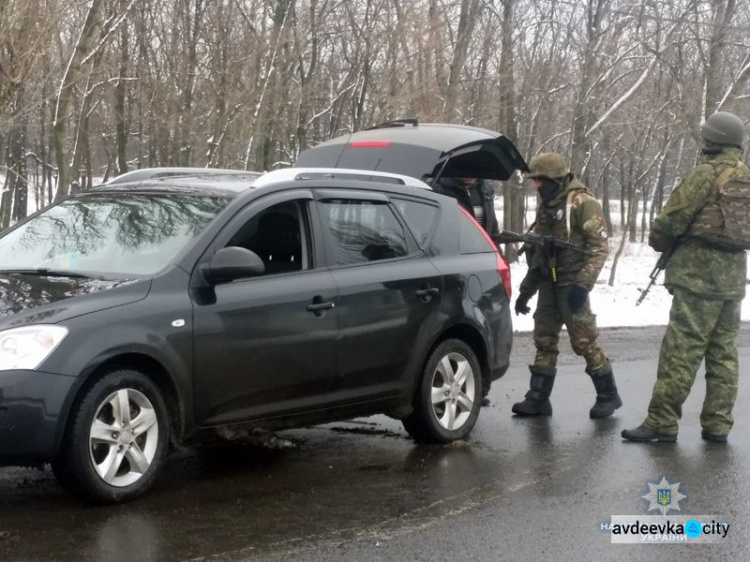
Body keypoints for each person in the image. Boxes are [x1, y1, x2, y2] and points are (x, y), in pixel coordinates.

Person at [622, 111, 748, 444]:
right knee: (723, 353)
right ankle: (718, 425)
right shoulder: (748, 177)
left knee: (682, 350)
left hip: (697, 278)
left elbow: (670, 221)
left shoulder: (704, 175)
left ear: (713, 141)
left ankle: (662, 422)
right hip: (733, 280)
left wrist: (659, 242)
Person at [512, 153, 621, 418]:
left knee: (584, 341)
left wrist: (582, 285)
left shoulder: (582, 203)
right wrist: (525, 292)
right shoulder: (548, 206)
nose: (537, 186)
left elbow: (599, 248)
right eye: (535, 181)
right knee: (544, 338)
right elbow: (540, 252)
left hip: (572, 284)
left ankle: (608, 395)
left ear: (556, 180)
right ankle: (538, 397)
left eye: (540, 181)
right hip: (549, 282)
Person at [432, 176, 499, 406]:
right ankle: (449, 383)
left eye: (475, 171)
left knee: (483, 328)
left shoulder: (486, 190)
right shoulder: (441, 188)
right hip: (455, 262)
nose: (471, 175)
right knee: (456, 325)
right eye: (466, 170)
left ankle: (478, 386)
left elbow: (492, 227)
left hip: (482, 262)